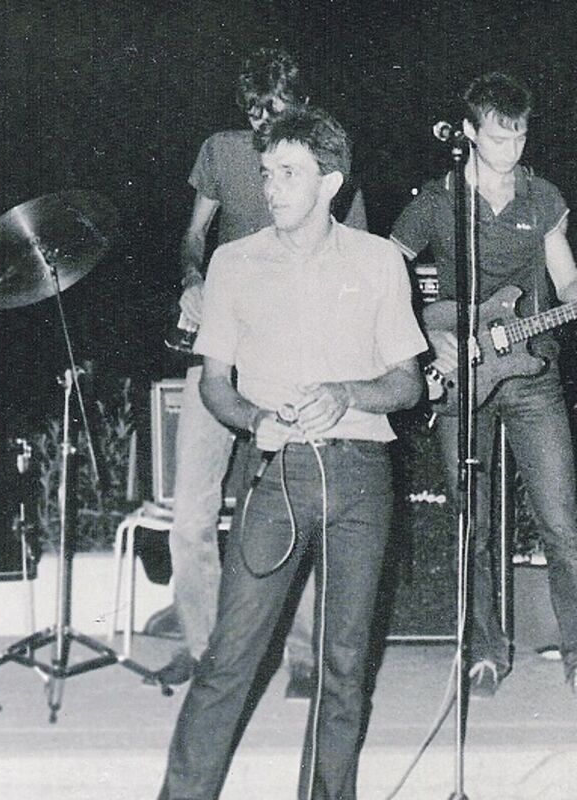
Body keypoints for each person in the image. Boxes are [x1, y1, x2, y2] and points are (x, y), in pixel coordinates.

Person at [158, 107, 425, 800]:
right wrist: (254, 420)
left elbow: (408, 382)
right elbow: (214, 384)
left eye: (288, 173)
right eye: (266, 173)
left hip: (361, 479)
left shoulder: (378, 261)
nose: (270, 188)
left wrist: (348, 394)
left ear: (329, 182)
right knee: (229, 657)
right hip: (276, 477)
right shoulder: (233, 262)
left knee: (344, 668)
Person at [156, 47, 366, 698]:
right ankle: (204, 648)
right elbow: (194, 237)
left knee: (297, 507)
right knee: (190, 513)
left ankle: (303, 656)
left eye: (276, 109)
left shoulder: (323, 162)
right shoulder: (221, 153)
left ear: (300, 104)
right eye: (254, 111)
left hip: (292, 357)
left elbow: (357, 258)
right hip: (221, 352)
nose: (264, 123)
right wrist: (193, 278)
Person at [390, 71, 577, 696]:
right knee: (472, 525)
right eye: (499, 138)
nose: (512, 150)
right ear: (469, 132)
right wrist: (427, 334)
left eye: (520, 137)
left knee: (562, 524)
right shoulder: (436, 201)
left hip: (532, 375)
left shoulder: (542, 197)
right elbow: (382, 273)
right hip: (460, 378)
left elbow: (566, 280)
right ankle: (485, 653)